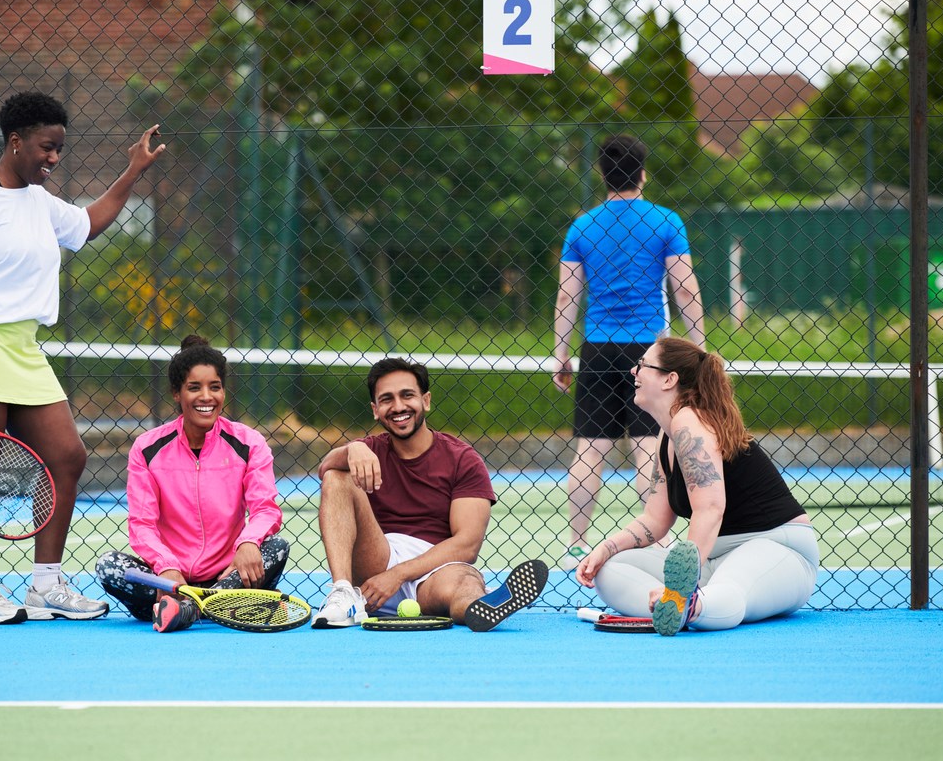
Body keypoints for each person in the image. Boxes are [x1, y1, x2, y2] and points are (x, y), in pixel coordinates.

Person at [0, 91, 165, 624]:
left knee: (67, 457)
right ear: (15, 142)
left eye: (59, 150)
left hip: (22, 348)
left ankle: (46, 584)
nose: (53, 158)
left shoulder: (37, 199)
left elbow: (88, 225)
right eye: (47, 148)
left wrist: (133, 171)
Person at [575, 337, 819, 635]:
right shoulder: (667, 437)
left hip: (775, 548)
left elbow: (711, 509)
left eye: (642, 365)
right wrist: (605, 548)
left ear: (669, 380)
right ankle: (677, 606)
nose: (632, 372)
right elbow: (654, 521)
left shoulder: (690, 421)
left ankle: (690, 605)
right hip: (713, 558)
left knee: (731, 589)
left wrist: (682, 583)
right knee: (610, 569)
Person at [552, 133, 707, 571]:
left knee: (590, 447)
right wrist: (698, 350)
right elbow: (685, 286)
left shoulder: (582, 226)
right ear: (643, 173)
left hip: (598, 347)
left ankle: (577, 543)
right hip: (651, 350)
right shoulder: (665, 222)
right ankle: (657, 544)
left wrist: (562, 354)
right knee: (648, 446)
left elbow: (568, 297)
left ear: (602, 174)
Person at [311, 357, 548, 632]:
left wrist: (398, 575)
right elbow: (325, 468)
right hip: (376, 563)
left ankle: (484, 605)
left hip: (434, 569)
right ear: (375, 410)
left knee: (465, 582)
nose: (398, 407)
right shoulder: (368, 450)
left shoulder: (463, 459)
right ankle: (344, 595)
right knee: (337, 476)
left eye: (407, 395)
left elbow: (467, 545)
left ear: (426, 401)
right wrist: (352, 448)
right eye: (387, 399)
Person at [94, 336, 290, 633]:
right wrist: (165, 566)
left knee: (275, 548)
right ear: (177, 392)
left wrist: (247, 543)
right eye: (194, 387)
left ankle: (188, 610)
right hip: (171, 579)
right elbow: (142, 524)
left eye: (215, 387)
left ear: (224, 391)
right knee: (109, 566)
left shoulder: (250, 443)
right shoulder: (147, 448)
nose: (206, 397)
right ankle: (225, 607)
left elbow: (265, 509)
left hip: (228, 573)